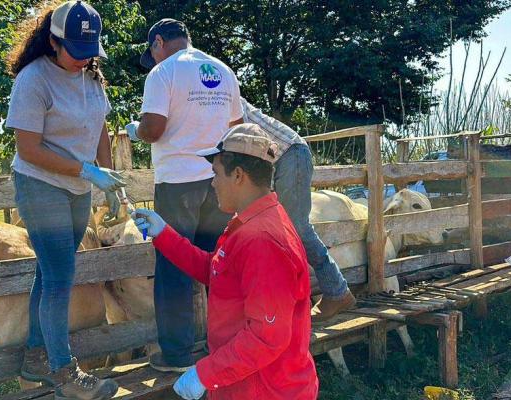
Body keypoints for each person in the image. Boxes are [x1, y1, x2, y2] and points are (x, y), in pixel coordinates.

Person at [131, 124, 319, 400]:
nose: (212, 183)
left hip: (266, 390)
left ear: (239, 176)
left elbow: (267, 337)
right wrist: (164, 234)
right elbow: (217, 272)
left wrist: (204, 374)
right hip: (246, 383)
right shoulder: (247, 223)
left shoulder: (263, 240)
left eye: (216, 173)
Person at [4, 1, 123, 398]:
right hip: (41, 185)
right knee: (60, 278)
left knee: (50, 272)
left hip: (77, 189)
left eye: (91, 51)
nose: (85, 59)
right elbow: (29, 149)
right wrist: (87, 171)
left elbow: (102, 128)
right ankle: (64, 374)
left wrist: (110, 182)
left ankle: (36, 358)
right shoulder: (33, 79)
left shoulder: (91, 78)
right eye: (77, 50)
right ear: (54, 41)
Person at [124, 18, 244, 372]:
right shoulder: (223, 71)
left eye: (153, 52)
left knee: (175, 265)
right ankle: (223, 345)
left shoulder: (163, 74)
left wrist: (135, 130)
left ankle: (176, 355)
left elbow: (154, 128)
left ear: (158, 42)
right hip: (218, 182)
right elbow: (236, 129)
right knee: (218, 266)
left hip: (178, 183)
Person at [240, 97, 356, 321]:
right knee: (274, 231)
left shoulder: (216, 91)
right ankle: (285, 301)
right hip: (277, 158)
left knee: (296, 229)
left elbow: (238, 135)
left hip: (287, 153)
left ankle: (337, 291)